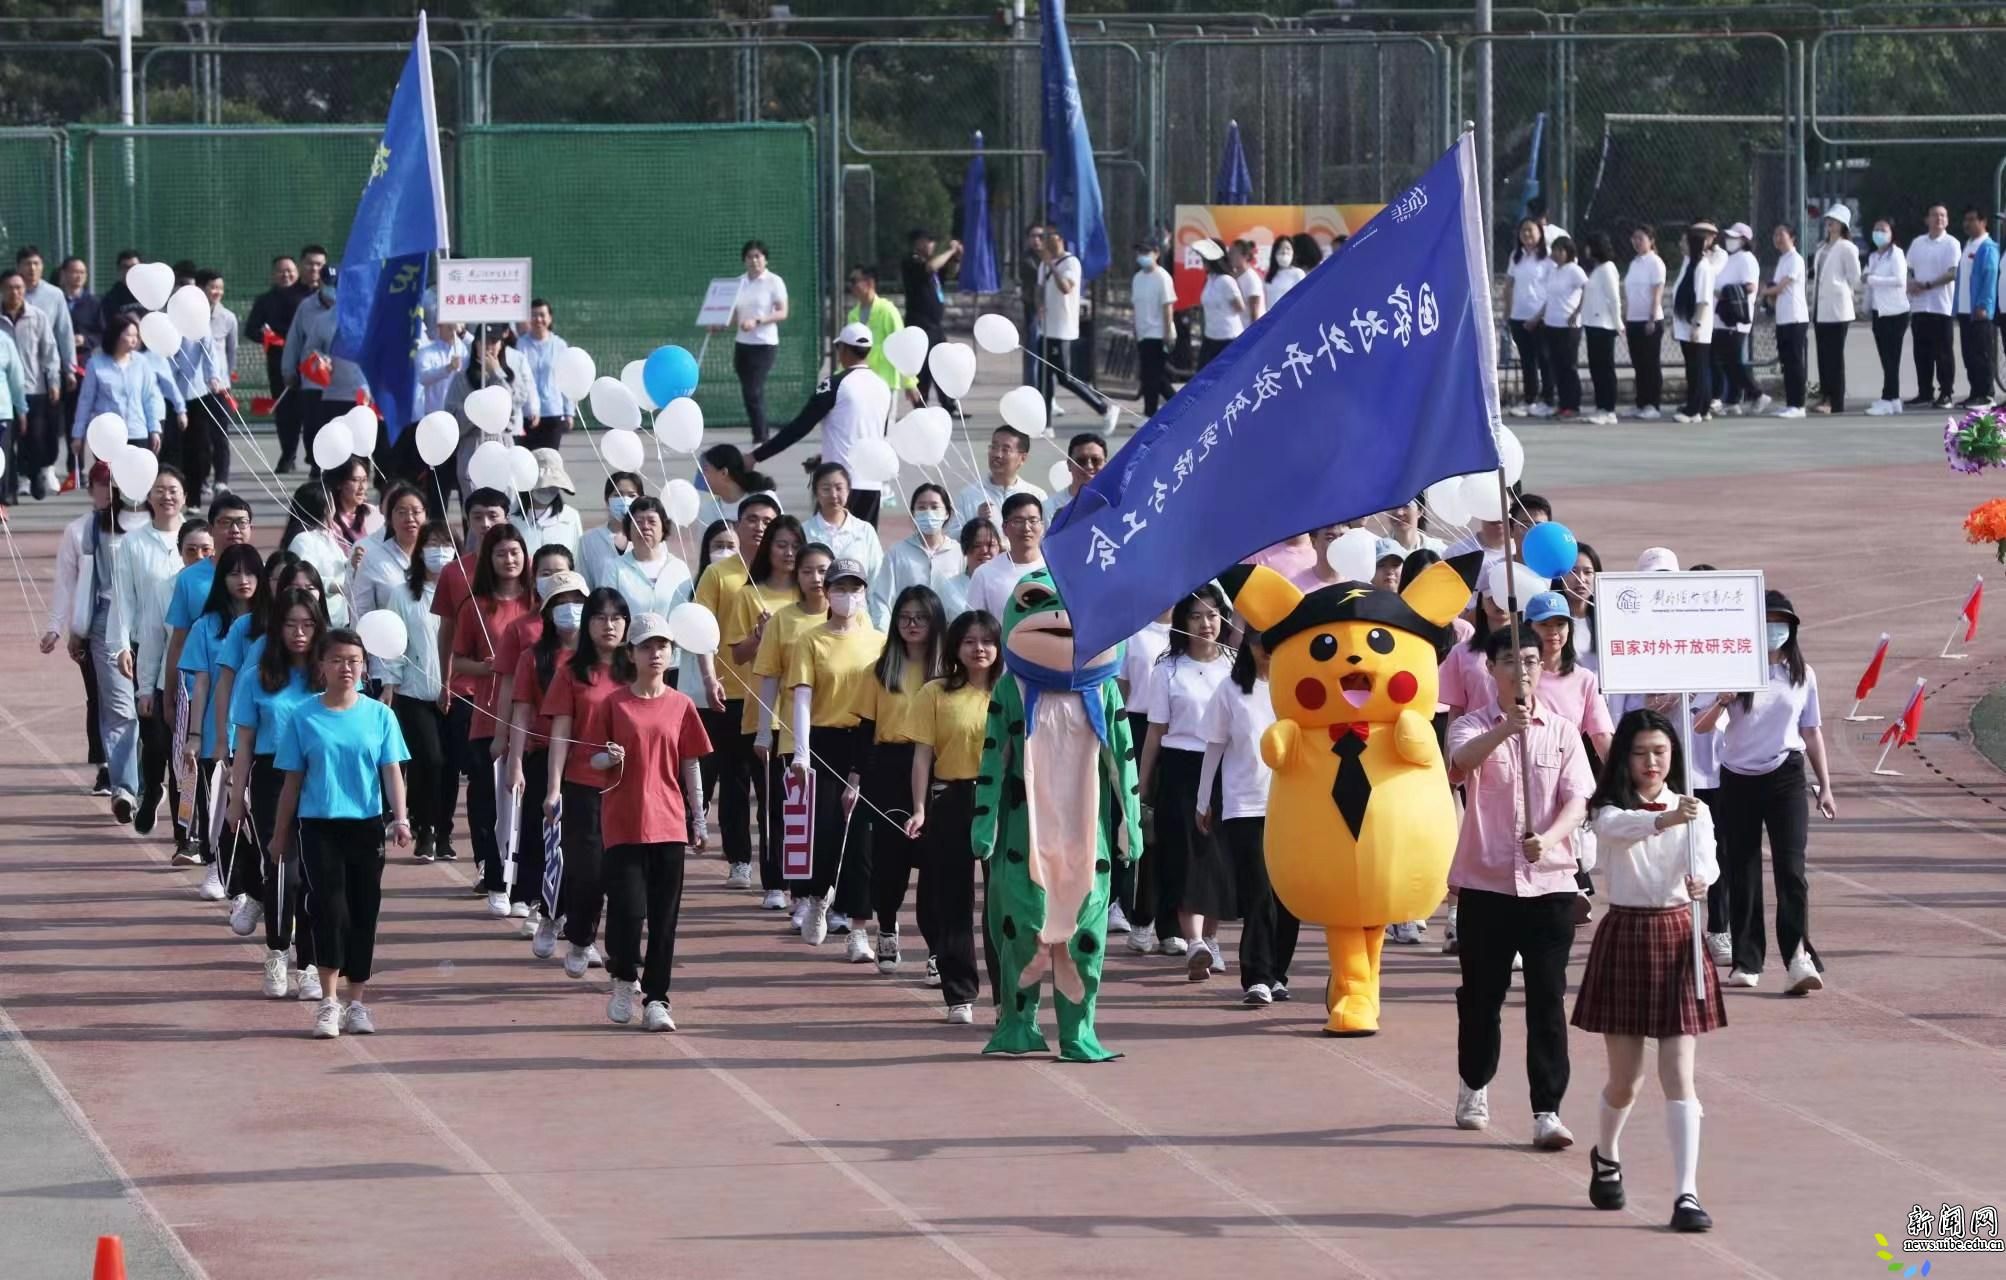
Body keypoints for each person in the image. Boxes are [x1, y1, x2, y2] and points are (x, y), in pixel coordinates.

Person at [1573, 708, 1723, 1234]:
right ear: (1625, 760)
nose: (1652, 762)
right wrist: (1664, 818)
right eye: (1640, 753)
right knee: (1626, 1080)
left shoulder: (1696, 810)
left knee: (1679, 1074)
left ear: (1673, 756)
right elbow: (1619, 830)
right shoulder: (1610, 810)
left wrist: (1702, 880)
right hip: (1629, 933)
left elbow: (1708, 862)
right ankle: (1607, 1153)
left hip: (1680, 933)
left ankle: (1687, 1193)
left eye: (1660, 752)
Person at [1446, 627, 1594, 1148]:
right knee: (1482, 996)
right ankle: (1474, 1081)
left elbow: (1578, 799)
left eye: (1531, 660)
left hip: (1549, 885)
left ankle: (1547, 1109)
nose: (1522, 670)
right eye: (1510, 660)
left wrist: (1550, 839)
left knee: (1547, 1000)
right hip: (1485, 885)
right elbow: (1460, 766)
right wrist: (1507, 729)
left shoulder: (1563, 732)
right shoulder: (1469, 726)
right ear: (1492, 668)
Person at [270, 628, 412, 1039]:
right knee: (330, 910)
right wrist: (280, 835)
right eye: (336, 660)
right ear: (322, 666)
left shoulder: (380, 716)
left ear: (364, 667)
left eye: (353, 661)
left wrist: (400, 818)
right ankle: (328, 1002)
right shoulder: (304, 716)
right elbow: (292, 783)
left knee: (364, 911)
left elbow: (392, 772)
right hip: (319, 826)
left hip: (366, 828)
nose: (345, 668)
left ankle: (357, 1003)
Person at [1693, 589, 1833, 995]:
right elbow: (1701, 725)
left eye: (1782, 622)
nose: (1775, 630)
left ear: (1792, 629)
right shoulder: (1734, 670)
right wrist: (1723, 700)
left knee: (1792, 870)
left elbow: (1811, 730)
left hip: (1786, 774)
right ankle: (1747, 958)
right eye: (1768, 621)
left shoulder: (1802, 675)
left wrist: (1825, 786)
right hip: (1737, 777)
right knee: (1743, 868)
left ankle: (1796, 957)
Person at [596, 613, 711, 1031]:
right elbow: (590, 757)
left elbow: (691, 763)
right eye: (646, 646)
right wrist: (607, 757)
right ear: (632, 653)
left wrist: (698, 819)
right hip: (623, 822)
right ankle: (624, 978)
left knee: (664, 917)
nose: (655, 653)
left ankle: (657, 998)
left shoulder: (680, 705)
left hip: (668, 823)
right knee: (628, 911)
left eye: (662, 646)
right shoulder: (614, 704)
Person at [902, 608, 1003, 1022]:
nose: (979, 649)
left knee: (1001, 902)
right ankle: (959, 993)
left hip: (1000, 802)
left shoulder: (1012, 691)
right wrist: (921, 808)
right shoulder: (935, 692)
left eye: (986, 641)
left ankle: (1006, 997)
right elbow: (922, 755)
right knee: (952, 900)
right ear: (955, 648)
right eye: (969, 641)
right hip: (952, 799)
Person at [224, 589, 325, 1000]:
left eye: (307, 624)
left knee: (316, 873)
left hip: (320, 777)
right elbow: (244, 745)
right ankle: (278, 951)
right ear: (276, 628)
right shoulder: (257, 677)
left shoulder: (328, 673)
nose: (299, 633)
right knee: (281, 867)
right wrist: (235, 797)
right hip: (271, 776)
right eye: (290, 624)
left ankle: (312, 964)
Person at [782, 557, 885, 948]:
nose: (847, 596)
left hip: (864, 738)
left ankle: (858, 930)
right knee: (824, 830)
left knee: (860, 839)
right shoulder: (812, 639)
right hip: (824, 742)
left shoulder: (876, 640)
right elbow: (803, 698)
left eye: (854, 588)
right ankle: (815, 899)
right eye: (839, 588)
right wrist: (802, 754)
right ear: (827, 593)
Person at [1138, 585, 1234, 977]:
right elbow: (1155, 731)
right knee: (1186, 854)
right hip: (1181, 768)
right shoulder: (1167, 669)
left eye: (1212, 614)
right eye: (1196, 616)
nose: (1206, 623)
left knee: (1219, 856)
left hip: (1228, 768)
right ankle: (1193, 941)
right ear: (1182, 622)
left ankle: (1211, 938)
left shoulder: (1234, 664)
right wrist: (1142, 783)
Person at [1197, 631, 1293, 1004]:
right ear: (1247, 644)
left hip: (1291, 805)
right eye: (1260, 641)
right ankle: (1256, 977)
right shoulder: (1230, 690)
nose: (1268, 649)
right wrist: (1203, 800)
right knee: (1258, 892)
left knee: (1287, 896)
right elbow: (1214, 746)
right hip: (1245, 805)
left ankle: (1277, 973)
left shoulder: (1297, 687)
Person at [541, 587, 631, 976]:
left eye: (616, 618)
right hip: (584, 785)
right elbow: (560, 732)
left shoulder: (640, 669)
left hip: (631, 788)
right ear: (587, 623)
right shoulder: (572, 673)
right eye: (599, 618)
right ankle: (580, 937)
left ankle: (622, 955)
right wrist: (553, 788)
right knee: (590, 869)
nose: (608, 626)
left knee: (625, 876)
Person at [858, 584, 945, 969]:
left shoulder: (950, 672)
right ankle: (888, 926)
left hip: (937, 769)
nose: (912, 624)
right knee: (889, 861)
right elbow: (864, 730)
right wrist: (856, 778)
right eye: (905, 617)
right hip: (890, 767)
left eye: (921, 617)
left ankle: (936, 949)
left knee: (935, 863)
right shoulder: (879, 670)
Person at [450, 523, 537, 907]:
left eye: (515, 552)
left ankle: (524, 884)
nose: (509, 559)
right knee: (491, 799)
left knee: (527, 803)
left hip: (535, 719)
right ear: (489, 559)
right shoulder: (475, 605)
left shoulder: (538, 603)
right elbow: (457, 660)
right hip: (489, 714)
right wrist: (488, 668)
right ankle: (494, 872)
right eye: (501, 553)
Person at [697, 495, 780, 890]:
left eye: (767, 520)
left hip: (775, 696)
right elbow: (702, 632)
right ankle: (739, 858)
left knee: (771, 786)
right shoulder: (719, 574)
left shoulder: (785, 576)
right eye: (751, 519)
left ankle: (774, 866)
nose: (759, 526)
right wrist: (709, 678)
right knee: (734, 778)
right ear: (738, 523)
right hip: (731, 691)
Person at [506, 569, 591, 950]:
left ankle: (576, 923)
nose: (570, 610)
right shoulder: (533, 657)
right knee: (546, 840)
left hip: (591, 764)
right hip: (544, 758)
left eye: (577, 602)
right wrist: (515, 761)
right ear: (548, 610)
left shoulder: (603, 658)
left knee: (584, 847)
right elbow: (521, 710)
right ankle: (546, 910)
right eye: (561, 603)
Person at [178, 543, 267, 900]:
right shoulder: (206, 626)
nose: (243, 581)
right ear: (221, 579)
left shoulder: (272, 626)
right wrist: (196, 734)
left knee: (256, 806)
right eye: (233, 573)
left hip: (261, 732)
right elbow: (201, 684)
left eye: (250, 572)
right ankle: (218, 864)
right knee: (218, 802)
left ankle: (250, 878)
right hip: (220, 731)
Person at [731, 516, 810, 905]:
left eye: (795, 545)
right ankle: (775, 883)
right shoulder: (750, 595)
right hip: (765, 712)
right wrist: (759, 635)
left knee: (804, 804)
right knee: (772, 803)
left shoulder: (814, 598)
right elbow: (738, 655)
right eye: (781, 544)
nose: (788, 553)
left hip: (807, 718)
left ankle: (804, 886)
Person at [108, 467, 188, 840]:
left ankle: (186, 824)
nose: (166, 496)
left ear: (185, 496)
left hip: (193, 653)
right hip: (149, 647)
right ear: (147, 496)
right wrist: (122, 645)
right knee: (154, 734)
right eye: (159, 490)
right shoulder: (134, 544)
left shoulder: (198, 539)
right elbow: (122, 600)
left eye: (173, 489)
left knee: (185, 742)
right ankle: (151, 786)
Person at [750, 322, 892, 526]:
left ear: (843, 349)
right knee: (864, 552)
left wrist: (756, 456)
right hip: (872, 485)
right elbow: (874, 434)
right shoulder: (883, 386)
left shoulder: (834, 384)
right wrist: (824, 456)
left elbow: (799, 427)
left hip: (838, 486)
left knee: (826, 551)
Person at [378, 517, 454, 862]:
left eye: (445, 545)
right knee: (428, 759)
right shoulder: (403, 594)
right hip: (414, 691)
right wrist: (389, 684)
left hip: (455, 692)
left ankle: (444, 831)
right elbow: (392, 644)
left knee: (449, 764)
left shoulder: (462, 592)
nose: (440, 553)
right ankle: (424, 828)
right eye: (432, 545)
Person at [42, 461, 116, 792]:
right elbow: (65, 583)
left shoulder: (143, 526)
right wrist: (56, 626)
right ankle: (105, 765)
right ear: (90, 490)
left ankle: (135, 764)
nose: (110, 491)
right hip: (89, 625)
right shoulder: (77, 531)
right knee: (98, 698)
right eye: (103, 484)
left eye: (115, 484)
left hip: (132, 626)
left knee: (135, 699)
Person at [281, 267, 367, 480]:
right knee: (319, 429)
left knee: (358, 438)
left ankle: (357, 475)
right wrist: (316, 360)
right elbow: (305, 346)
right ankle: (320, 468)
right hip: (324, 386)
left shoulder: (364, 316)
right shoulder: (320, 317)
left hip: (358, 388)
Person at [1037, 228, 1115, 426]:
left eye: (1050, 237)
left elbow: (1065, 288)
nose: (1046, 242)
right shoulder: (1043, 265)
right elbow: (1040, 288)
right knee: (1044, 379)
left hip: (1064, 329)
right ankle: (1045, 425)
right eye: (1043, 238)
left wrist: (1052, 267)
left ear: (1060, 239)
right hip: (1047, 328)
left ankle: (1103, 407)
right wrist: (1039, 306)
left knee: (1066, 377)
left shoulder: (1071, 262)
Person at [448, 324, 531, 498]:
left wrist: (496, 373)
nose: (489, 347)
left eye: (494, 342)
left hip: (502, 442)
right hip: (472, 444)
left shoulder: (509, 375)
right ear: (475, 344)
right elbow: (453, 418)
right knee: (474, 507)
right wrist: (479, 411)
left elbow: (513, 405)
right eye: (483, 342)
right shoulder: (462, 379)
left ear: (501, 344)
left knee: (503, 507)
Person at [0, 268, 61, 502]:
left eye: (19, 288)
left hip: (34, 388)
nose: (15, 292)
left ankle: (35, 474)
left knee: (34, 437)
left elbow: (49, 351)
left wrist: (53, 380)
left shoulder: (37, 316)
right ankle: (13, 485)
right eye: (10, 288)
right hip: (5, 392)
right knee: (8, 442)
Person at [870, 482, 962, 627]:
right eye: (922, 507)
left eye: (934, 507)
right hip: (908, 633)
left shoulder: (959, 552)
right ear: (913, 513)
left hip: (948, 638)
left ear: (947, 513)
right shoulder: (897, 553)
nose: (928, 513)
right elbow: (882, 600)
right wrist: (884, 637)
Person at [72, 312, 164, 455]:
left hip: (137, 432)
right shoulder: (95, 364)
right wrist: (78, 434)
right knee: (109, 477)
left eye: (137, 336)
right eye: (130, 335)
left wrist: (154, 429)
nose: (135, 340)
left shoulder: (142, 362)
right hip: (107, 436)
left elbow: (149, 398)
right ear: (116, 335)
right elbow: (85, 401)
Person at [729, 240, 789, 445]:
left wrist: (758, 321)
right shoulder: (738, 283)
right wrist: (719, 323)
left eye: (758, 256)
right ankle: (761, 431)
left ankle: (760, 437)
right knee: (750, 390)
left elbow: (782, 312)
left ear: (765, 259)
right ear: (744, 260)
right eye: (749, 257)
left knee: (753, 389)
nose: (754, 261)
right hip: (742, 343)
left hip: (765, 344)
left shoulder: (774, 282)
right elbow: (735, 316)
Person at [606, 495, 692, 623]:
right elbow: (608, 611)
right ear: (629, 528)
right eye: (638, 522)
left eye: (652, 522)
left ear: (663, 528)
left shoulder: (679, 568)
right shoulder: (614, 568)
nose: (645, 527)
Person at [902, 228, 962, 412]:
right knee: (923, 369)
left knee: (942, 363)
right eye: (928, 241)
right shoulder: (912, 262)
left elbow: (950, 271)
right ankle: (921, 403)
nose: (931, 245)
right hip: (920, 324)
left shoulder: (933, 264)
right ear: (918, 242)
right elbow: (930, 268)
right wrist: (950, 251)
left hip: (935, 325)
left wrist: (957, 258)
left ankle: (948, 403)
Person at [1906, 203, 1959, 409]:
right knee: (1921, 352)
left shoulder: (1951, 243)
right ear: (1927, 219)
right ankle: (1924, 391)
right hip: (1919, 307)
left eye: (1943, 215)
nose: (1939, 219)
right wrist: (1911, 282)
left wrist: (1927, 285)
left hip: (1941, 307)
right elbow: (1908, 268)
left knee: (1943, 353)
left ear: (1947, 220)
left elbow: (1952, 273)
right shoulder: (1918, 243)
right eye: (1935, 215)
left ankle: (1946, 393)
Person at [963, 492, 1046, 622]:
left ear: (1042, 526)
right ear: (1004, 528)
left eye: (1033, 520)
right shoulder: (985, 574)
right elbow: (974, 626)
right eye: (1018, 521)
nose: (1026, 528)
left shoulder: (1057, 569)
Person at [1810, 207, 1862, 416]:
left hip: (1838, 309)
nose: (1830, 223)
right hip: (1821, 308)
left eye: (1835, 220)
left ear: (1843, 225)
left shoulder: (1847, 247)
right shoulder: (1822, 246)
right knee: (1823, 355)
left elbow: (1854, 276)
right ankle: (1825, 396)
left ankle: (1836, 401)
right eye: (1828, 219)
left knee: (1834, 356)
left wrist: (1843, 290)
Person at [1712, 222, 1767, 416]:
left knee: (1731, 361)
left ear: (1744, 240)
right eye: (1728, 237)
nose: (1729, 241)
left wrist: (1724, 294)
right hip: (1722, 317)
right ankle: (1732, 400)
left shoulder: (1746, 259)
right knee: (1726, 360)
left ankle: (1757, 394)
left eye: (1734, 237)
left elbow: (1751, 286)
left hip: (1736, 317)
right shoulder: (1728, 258)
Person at [1670, 221, 1722, 423]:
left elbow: (1703, 300)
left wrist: (1696, 325)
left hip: (1696, 326)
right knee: (1694, 369)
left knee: (1697, 369)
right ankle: (1701, 407)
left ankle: (1694, 411)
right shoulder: (1688, 264)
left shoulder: (1702, 267)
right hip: (1685, 325)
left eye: (1684, 241)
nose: (1681, 244)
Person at [951, 425, 1046, 536]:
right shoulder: (967, 496)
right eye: (994, 447)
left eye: (1005, 450)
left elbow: (1045, 538)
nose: (997, 454)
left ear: (1023, 458)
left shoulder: (1037, 496)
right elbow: (952, 538)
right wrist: (976, 524)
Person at [801, 461, 883, 586]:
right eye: (826, 489)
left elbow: (877, 577)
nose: (833, 495)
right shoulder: (804, 531)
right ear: (816, 492)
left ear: (848, 490)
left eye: (839, 488)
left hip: (858, 604)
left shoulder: (865, 531)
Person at [1504, 217, 1553, 416]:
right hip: (1519, 316)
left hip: (1541, 316)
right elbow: (1509, 283)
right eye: (1523, 231)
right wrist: (1508, 312)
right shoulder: (1516, 256)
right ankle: (1530, 398)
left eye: (1530, 231)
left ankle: (1548, 399)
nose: (1526, 235)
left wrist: (1540, 315)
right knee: (1527, 360)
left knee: (1544, 358)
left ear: (1540, 233)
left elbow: (1553, 287)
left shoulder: (1548, 257)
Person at [842, 265, 915, 400]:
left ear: (869, 282)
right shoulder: (853, 315)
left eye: (854, 281)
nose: (851, 286)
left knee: (886, 422)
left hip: (886, 383)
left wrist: (909, 383)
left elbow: (902, 346)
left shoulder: (888, 311)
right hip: (862, 383)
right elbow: (849, 351)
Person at [1863, 217, 1912, 416]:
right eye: (1876, 229)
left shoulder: (1897, 254)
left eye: (1883, 230)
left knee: (1892, 357)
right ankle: (1892, 398)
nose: (1879, 233)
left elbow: (1900, 280)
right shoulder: (1874, 257)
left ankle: (1889, 397)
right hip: (1878, 311)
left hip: (1896, 312)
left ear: (1892, 234)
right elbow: (1866, 281)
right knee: (1885, 357)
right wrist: (1866, 305)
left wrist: (1873, 279)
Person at [1762, 223, 1809, 418]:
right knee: (1786, 363)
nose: (1778, 238)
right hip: (1783, 318)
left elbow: (1781, 287)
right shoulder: (1782, 260)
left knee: (1795, 362)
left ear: (1793, 238)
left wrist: (1762, 291)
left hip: (1795, 317)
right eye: (1775, 234)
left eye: (1781, 234)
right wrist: (1769, 298)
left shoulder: (1795, 260)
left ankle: (1799, 406)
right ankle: (1791, 403)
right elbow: (1776, 290)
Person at [514, 298, 572, 451]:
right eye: (533, 315)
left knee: (549, 463)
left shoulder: (560, 345)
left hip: (552, 412)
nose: (538, 319)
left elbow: (567, 379)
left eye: (542, 315)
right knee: (526, 462)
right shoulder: (520, 344)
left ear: (549, 318)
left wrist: (569, 412)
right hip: (527, 414)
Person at [1540, 236, 1587, 421]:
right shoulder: (1553, 271)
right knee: (1556, 366)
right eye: (1554, 250)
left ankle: (1573, 405)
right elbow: (1549, 298)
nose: (1556, 254)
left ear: (1568, 252)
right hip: (1552, 324)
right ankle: (1562, 404)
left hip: (1569, 326)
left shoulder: (1574, 270)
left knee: (1569, 366)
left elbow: (1587, 288)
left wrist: (1577, 312)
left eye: (1560, 250)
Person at [1578, 233, 1623, 425]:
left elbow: (1614, 298)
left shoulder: (1607, 269)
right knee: (1596, 367)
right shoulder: (1597, 269)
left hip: (1604, 325)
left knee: (1605, 368)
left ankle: (1609, 409)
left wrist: (1618, 322)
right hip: (1592, 324)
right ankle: (1600, 406)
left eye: (1589, 246)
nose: (1586, 251)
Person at [1623, 225, 1667, 420]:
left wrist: (1651, 318)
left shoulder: (1655, 263)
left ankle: (1653, 404)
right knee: (1639, 364)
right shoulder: (1634, 263)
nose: (1636, 242)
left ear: (1651, 240)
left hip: (1650, 320)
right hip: (1633, 319)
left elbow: (1657, 292)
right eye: (1634, 238)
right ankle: (1641, 402)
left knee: (1650, 364)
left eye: (1641, 238)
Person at [1956, 206, 1999, 407]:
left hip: (1980, 312)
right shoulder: (1968, 245)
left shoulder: (1987, 247)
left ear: (1983, 222)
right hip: (1965, 310)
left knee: (1983, 354)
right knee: (1969, 354)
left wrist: (1983, 305)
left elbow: (1990, 278)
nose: (1968, 223)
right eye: (1966, 219)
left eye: (1973, 219)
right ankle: (1975, 392)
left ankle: (1987, 394)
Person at [1131, 237, 1178, 417]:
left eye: (1146, 252)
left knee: (1153, 377)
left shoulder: (1162, 277)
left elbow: (1167, 307)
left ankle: (1149, 414)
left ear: (1157, 253)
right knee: (1153, 377)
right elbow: (1136, 305)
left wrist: (1167, 333)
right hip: (1143, 333)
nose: (1142, 256)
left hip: (1158, 333)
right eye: (1139, 252)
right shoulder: (1138, 278)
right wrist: (1135, 328)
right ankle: (1179, 407)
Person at [512, 448, 584, 559]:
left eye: (553, 485)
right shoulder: (511, 519)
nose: (547, 489)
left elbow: (579, 559)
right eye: (542, 485)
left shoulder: (571, 516)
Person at [579, 471, 644, 590]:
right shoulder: (589, 540)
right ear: (606, 499)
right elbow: (584, 585)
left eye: (631, 495)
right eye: (617, 495)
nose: (624, 500)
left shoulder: (649, 537)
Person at [696, 444, 778, 524]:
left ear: (724, 473)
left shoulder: (765, 498)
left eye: (705, 469)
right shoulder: (708, 511)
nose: (701, 475)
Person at [1198, 242, 1246, 369]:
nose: (1203, 262)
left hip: (1228, 338)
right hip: (1210, 336)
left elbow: (1240, 306)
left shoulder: (1226, 280)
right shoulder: (1210, 279)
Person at [941, 518, 997, 621]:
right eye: (977, 545)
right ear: (964, 549)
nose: (985, 551)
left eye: (990, 545)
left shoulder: (1009, 583)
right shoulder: (950, 588)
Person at [1046, 430, 1106, 521]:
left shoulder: (1117, 503)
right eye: (1081, 461)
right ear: (1069, 464)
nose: (1089, 466)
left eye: (1096, 460)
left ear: (1106, 464)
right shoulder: (1050, 508)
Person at [1018, 222, 1047, 387]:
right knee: (1033, 353)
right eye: (1033, 236)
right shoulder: (1027, 259)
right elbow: (1038, 276)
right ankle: (1031, 388)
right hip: (1033, 311)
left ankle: (1047, 395)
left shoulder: (1047, 257)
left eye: (1040, 237)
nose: (1037, 240)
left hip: (1050, 312)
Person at [1266, 232, 1312, 305]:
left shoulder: (1298, 273)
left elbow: (1304, 299)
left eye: (1288, 248)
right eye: (1280, 248)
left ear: (1293, 252)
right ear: (1274, 251)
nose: (1284, 252)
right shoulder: (1270, 274)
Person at [1231, 238, 1267, 327]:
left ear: (1246, 256)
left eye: (1233, 253)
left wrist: (1252, 335)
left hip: (1250, 330)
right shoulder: (1234, 276)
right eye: (1230, 252)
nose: (1230, 256)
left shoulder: (1251, 278)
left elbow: (1255, 311)